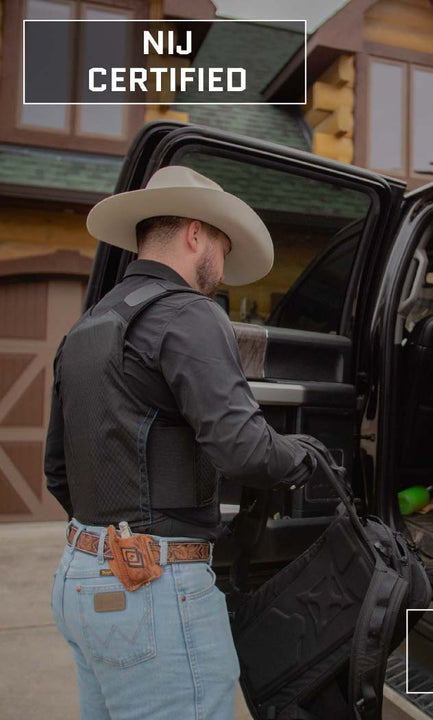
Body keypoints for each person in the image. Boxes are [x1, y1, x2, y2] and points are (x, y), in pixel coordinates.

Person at [44, 166, 326, 719]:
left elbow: (59, 471)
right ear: (196, 234)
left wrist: (108, 540)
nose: (221, 268)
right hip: (152, 585)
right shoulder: (189, 314)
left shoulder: (88, 326)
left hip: (80, 582)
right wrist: (306, 456)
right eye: (221, 246)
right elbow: (242, 449)